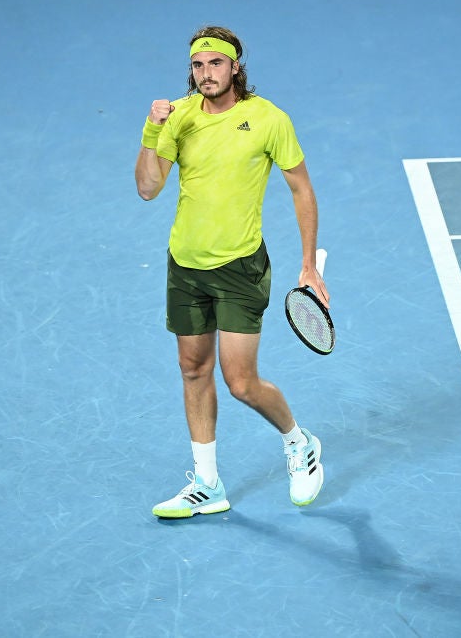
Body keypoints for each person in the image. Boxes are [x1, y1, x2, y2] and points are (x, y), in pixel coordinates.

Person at [135, 26, 329, 519]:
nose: (206, 74)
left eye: (216, 64)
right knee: (192, 368)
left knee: (240, 382)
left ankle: (299, 442)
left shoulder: (268, 120)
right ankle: (206, 483)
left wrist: (309, 265)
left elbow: (302, 190)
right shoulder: (176, 118)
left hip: (240, 267)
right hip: (185, 266)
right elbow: (147, 188)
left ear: (235, 67)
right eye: (198, 66)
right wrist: (151, 129)